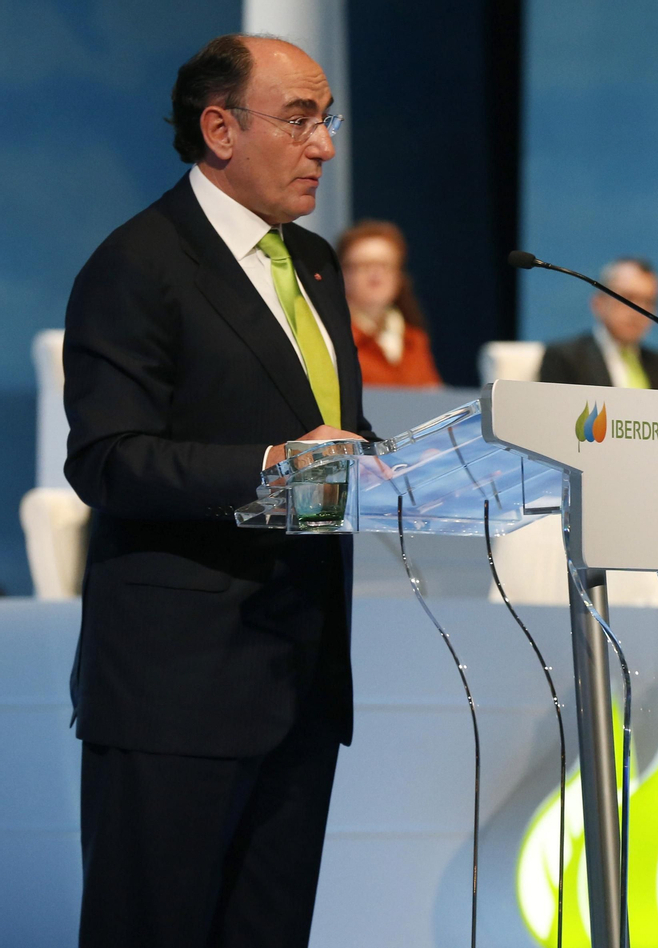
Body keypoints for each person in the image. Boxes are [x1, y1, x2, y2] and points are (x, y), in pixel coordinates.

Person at [62, 34, 374, 947]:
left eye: (327, 120)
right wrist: (278, 465)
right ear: (219, 128)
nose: (324, 144)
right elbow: (110, 462)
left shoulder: (313, 262)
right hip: (178, 686)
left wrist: (394, 466)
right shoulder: (138, 263)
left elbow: (327, 435)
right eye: (301, 119)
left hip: (301, 671)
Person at [538, 257, 658, 389]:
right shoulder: (564, 359)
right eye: (628, 298)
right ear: (599, 303)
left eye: (649, 302)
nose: (639, 311)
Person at [338, 219, 443, 387]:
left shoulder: (415, 340)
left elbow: (434, 401)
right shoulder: (333, 339)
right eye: (364, 265)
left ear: (399, 276)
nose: (376, 275)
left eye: (385, 265)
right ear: (343, 274)